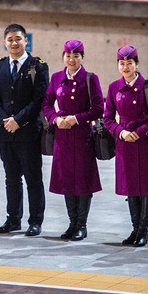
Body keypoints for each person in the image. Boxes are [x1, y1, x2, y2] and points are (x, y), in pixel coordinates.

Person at [0, 23, 50, 236]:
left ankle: (35, 221)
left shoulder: (38, 66)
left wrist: (19, 120)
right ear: (5, 43)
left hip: (28, 132)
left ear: (26, 41)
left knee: (33, 178)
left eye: (18, 39)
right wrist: (5, 119)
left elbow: (38, 99)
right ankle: (13, 219)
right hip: (6, 133)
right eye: (10, 40)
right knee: (11, 177)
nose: (14, 43)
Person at [41, 40, 104, 241]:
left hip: (82, 136)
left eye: (76, 56)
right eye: (68, 55)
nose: (71, 59)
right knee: (67, 180)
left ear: (82, 58)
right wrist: (55, 118)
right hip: (63, 137)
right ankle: (72, 223)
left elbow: (99, 108)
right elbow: (47, 103)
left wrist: (76, 119)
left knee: (83, 181)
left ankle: (82, 226)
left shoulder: (90, 79)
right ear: (63, 57)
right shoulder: (57, 77)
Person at [103, 46, 148, 247]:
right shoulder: (114, 88)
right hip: (125, 145)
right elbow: (107, 118)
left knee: (146, 187)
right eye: (122, 63)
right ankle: (134, 229)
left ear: (137, 64)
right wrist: (121, 132)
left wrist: (140, 132)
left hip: (145, 143)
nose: (125, 66)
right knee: (130, 187)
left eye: (129, 63)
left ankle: (143, 231)